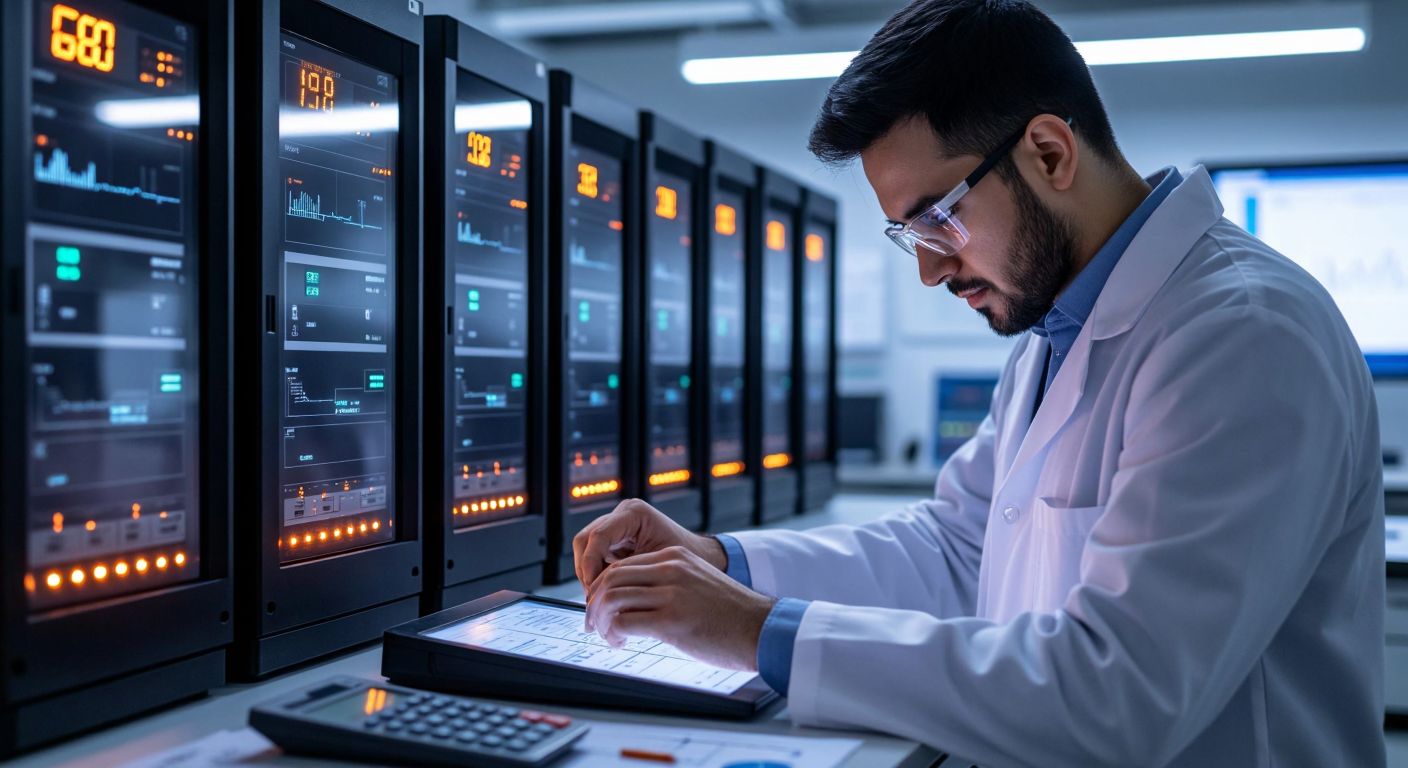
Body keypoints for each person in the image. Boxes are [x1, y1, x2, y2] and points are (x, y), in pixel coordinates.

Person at [572, 0, 1386, 764]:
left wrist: (759, 631)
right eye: (908, 233)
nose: (929, 269)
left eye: (939, 219)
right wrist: (720, 563)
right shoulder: (1056, 331)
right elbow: (960, 549)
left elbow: (1121, 693)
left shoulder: (1242, 335)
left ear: (1049, 153)